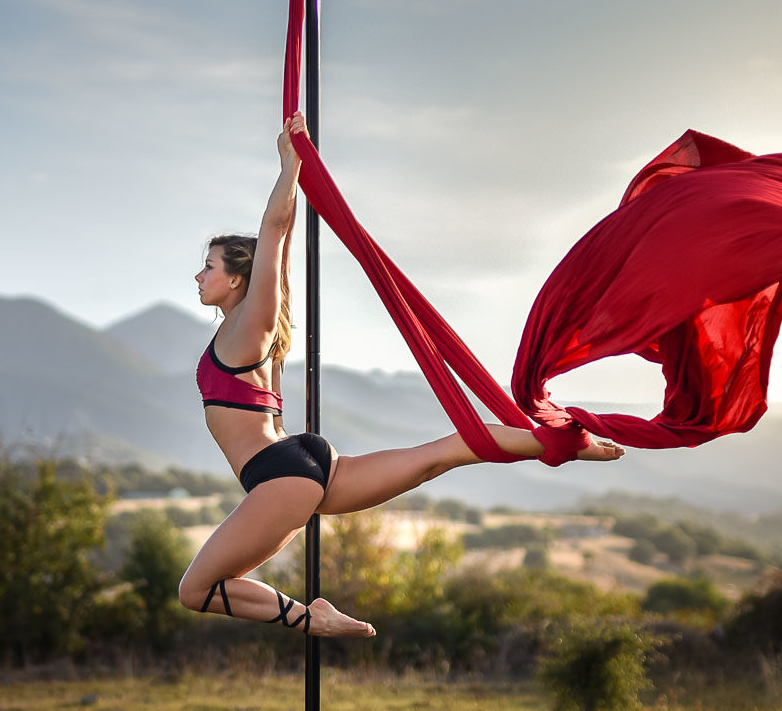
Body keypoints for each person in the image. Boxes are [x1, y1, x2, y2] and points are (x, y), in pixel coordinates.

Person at [178, 113, 624, 637]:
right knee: (442, 454)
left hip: (278, 474)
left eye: (209, 266)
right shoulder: (261, 330)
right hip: (308, 463)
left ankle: (311, 619)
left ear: (237, 279)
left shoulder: (247, 329)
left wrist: (291, 162)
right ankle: (565, 443)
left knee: (196, 590)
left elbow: (275, 233)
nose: (199, 275)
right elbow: (278, 254)